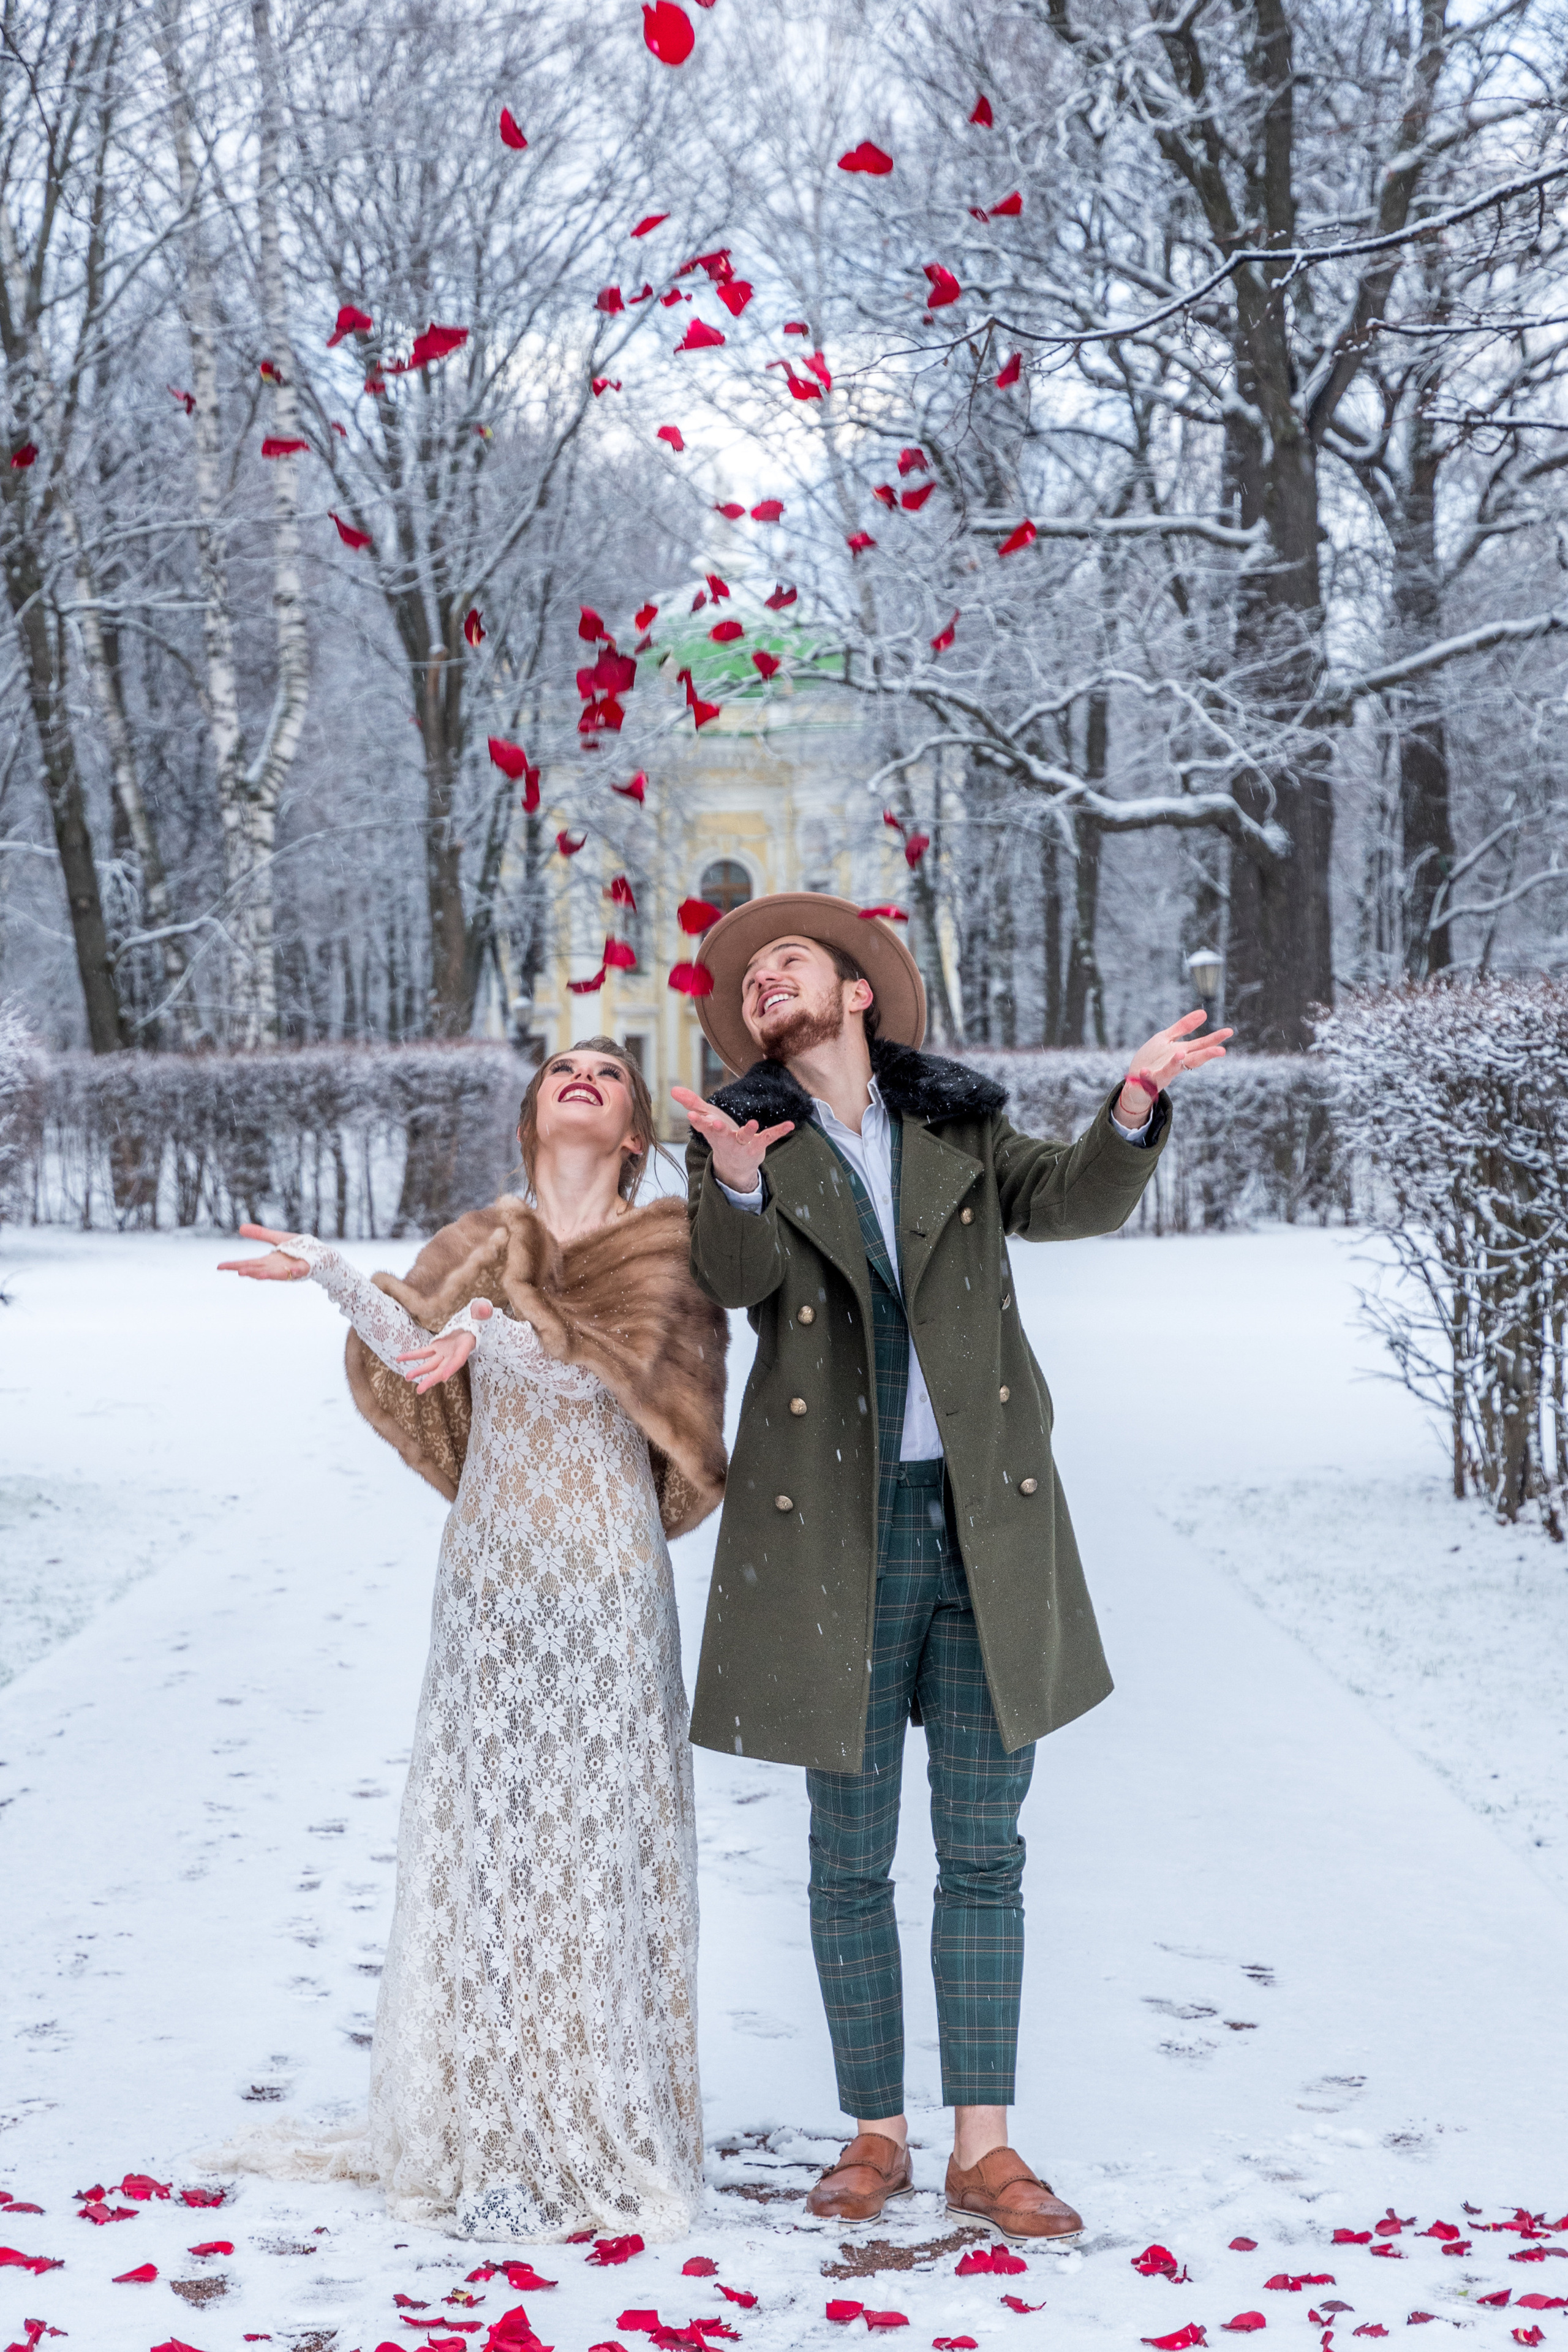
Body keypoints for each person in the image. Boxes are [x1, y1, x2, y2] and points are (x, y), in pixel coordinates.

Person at [673, 895, 1230, 2244]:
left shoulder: (959, 1126)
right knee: (846, 1858)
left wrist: (1135, 1106)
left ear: (856, 991)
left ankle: (985, 2148)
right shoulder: (741, 1140)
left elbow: (1075, 1203)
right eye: (746, 978)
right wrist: (738, 1181)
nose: (761, 982)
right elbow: (734, 1278)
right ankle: (873, 2134)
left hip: (984, 1524)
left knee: (984, 1853)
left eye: (786, 964)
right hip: (830, 1544)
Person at [215, 1038, 728, 2243]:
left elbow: (618, 1366)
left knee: (592, 1850)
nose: (584, 1074)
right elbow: (412, 1352)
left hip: (604, 1579)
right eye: (563, 1066)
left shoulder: (665, 1250)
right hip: (492, 1582)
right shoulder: (481, 1239)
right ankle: (490, 2128)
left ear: (636, 1133)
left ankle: (596, 2117)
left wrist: (498, 1326)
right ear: (533, 1115)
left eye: (610, 1070)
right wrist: (337, 1275)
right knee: (490, 1853)